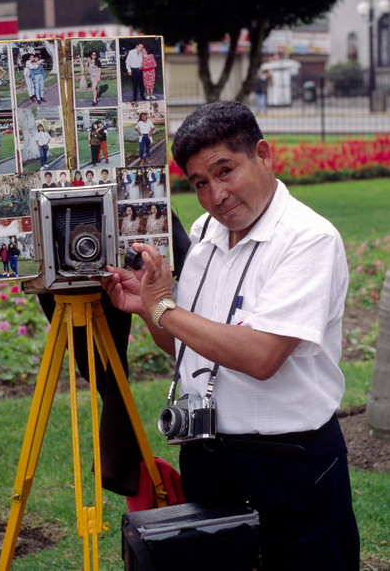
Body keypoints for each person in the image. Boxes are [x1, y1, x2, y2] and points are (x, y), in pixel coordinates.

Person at [102, 101, 360, 571]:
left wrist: (165, 307)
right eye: (200, 183)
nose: (216, 195)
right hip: (208, 455)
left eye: (226, 171)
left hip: (288, 461)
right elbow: (188, 349)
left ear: (262, 154)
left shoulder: (307, 238)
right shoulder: (205, 233)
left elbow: (262, 356)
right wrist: (148, 310)